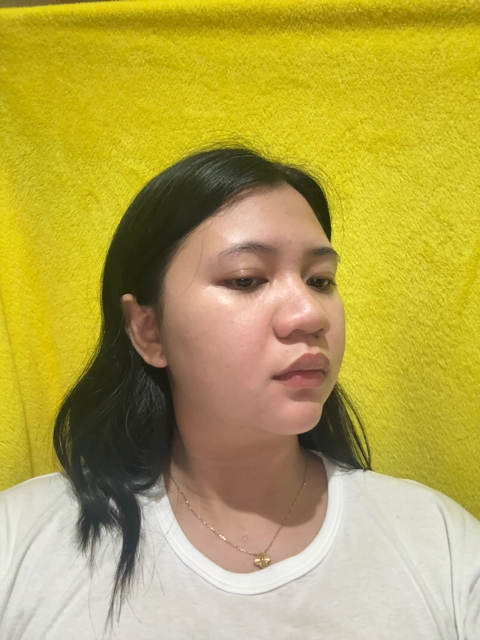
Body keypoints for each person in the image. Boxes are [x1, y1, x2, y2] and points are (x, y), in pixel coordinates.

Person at [0, 145, 479, 640]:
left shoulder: (438, 543)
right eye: (247, 279)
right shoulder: (21, 543)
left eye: (320, 280)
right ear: (149, 330)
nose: (310, 315)